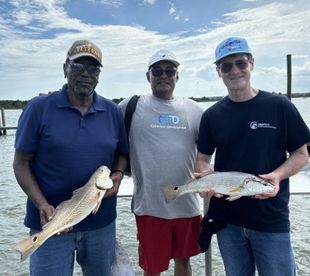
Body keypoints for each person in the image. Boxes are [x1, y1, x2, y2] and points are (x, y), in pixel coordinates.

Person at [195, 36, 310, 276]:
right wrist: (205, 179)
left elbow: (301, 154)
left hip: (271, 219)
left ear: (252, 63)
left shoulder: (279, 105)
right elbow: (203, 159)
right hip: (228, 222)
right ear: (218, 71)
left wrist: (278, 176)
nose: (234, 70)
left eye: (241, 63)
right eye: (226, 66)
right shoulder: (212, 115)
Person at [13, 40, 128, 276]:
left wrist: (117, 174)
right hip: (49, 220)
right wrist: (42, 204)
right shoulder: (38, 108)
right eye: (79, 66)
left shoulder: (113, 112)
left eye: (93, 68)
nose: (86, 73)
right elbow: (21, 163)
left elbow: (121, 154)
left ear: (99, 74)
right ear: (65, 68)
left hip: (101, 224)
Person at [119, 49, 203, 276]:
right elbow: (102, 127)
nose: (163, 76)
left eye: (170, 71)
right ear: (148, 76)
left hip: (188, 205)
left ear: (177, 76)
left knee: (184, 261)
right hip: (149, 206)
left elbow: (208, 153)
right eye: (157, 71)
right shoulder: (131, 105)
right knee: (151, 267)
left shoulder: (194, 110)